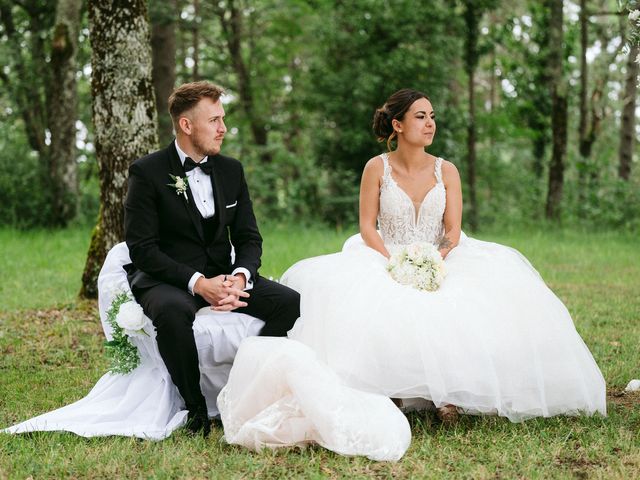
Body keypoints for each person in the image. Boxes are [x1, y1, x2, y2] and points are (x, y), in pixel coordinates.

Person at [218, 89, 605, 457]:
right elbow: (368, 226)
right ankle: (392, 388)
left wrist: (438, 257)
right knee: (380, 302)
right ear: (398, 125)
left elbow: (452, 229)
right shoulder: (377, 167)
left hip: (441, 255)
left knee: (458, 301)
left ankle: (448, 395)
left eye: (432, 117)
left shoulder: (447, 170)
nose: (430, 123)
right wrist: (392, 262)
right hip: (383, 253)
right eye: (421, 116)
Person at [124, 81, 300, 437]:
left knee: (289, 303)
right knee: (172, 314)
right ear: (186, 126)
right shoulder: (147, 172)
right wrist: (198, 284)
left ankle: (246, 391)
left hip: (223, 274)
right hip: (167, 278)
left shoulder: (231, 170)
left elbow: (249, 238)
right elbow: (143, 249)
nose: (223, 129)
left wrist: (239, 278)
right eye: (214, 120)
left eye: (224, 119)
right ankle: (195, 410)